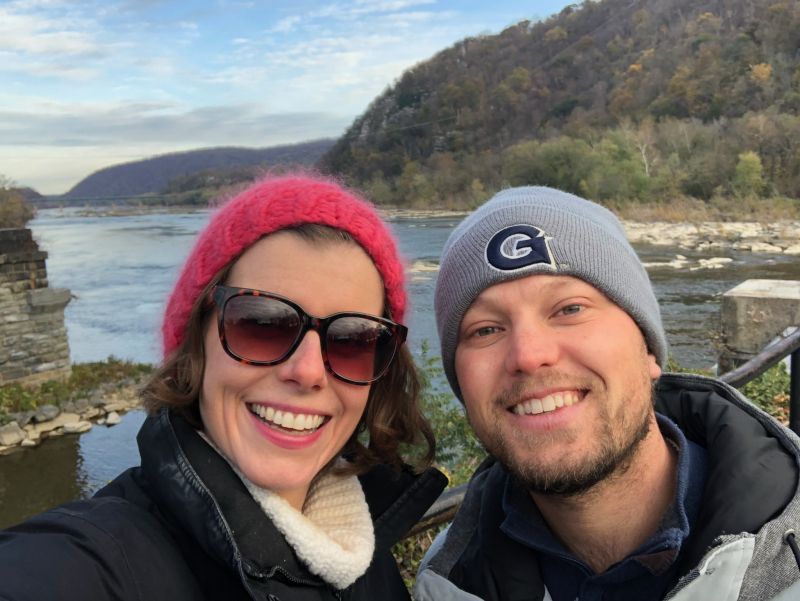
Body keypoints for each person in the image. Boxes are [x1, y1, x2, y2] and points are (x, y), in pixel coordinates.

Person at [0, 174, 447, 600]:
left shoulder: (362, 555)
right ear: (197, 340)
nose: (309, 371)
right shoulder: (98, 560)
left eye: (353, 339)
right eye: (262, 323)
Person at [415, 186, 800, 601]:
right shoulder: (447, 584)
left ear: (649, 348)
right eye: (486, 329)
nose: (528, 355)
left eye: (569, 309)